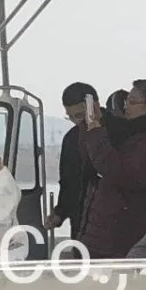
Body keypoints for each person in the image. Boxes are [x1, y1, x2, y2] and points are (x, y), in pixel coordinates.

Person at [77, 79, 146, 259]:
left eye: (132, 102)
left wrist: (95, 131)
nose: (126, 107)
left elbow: (117, 170)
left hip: (124, 235)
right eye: (126, 101)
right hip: (110, 232)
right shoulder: (135, 133)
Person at [53, 80, 100, 240]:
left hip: (110, 217)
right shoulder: (71, 138)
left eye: (79, 115)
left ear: (94, 106)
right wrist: (60, 212)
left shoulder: (116, 133)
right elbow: (68, 180)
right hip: (79, 218)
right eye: (71, 117)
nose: (76, 121)